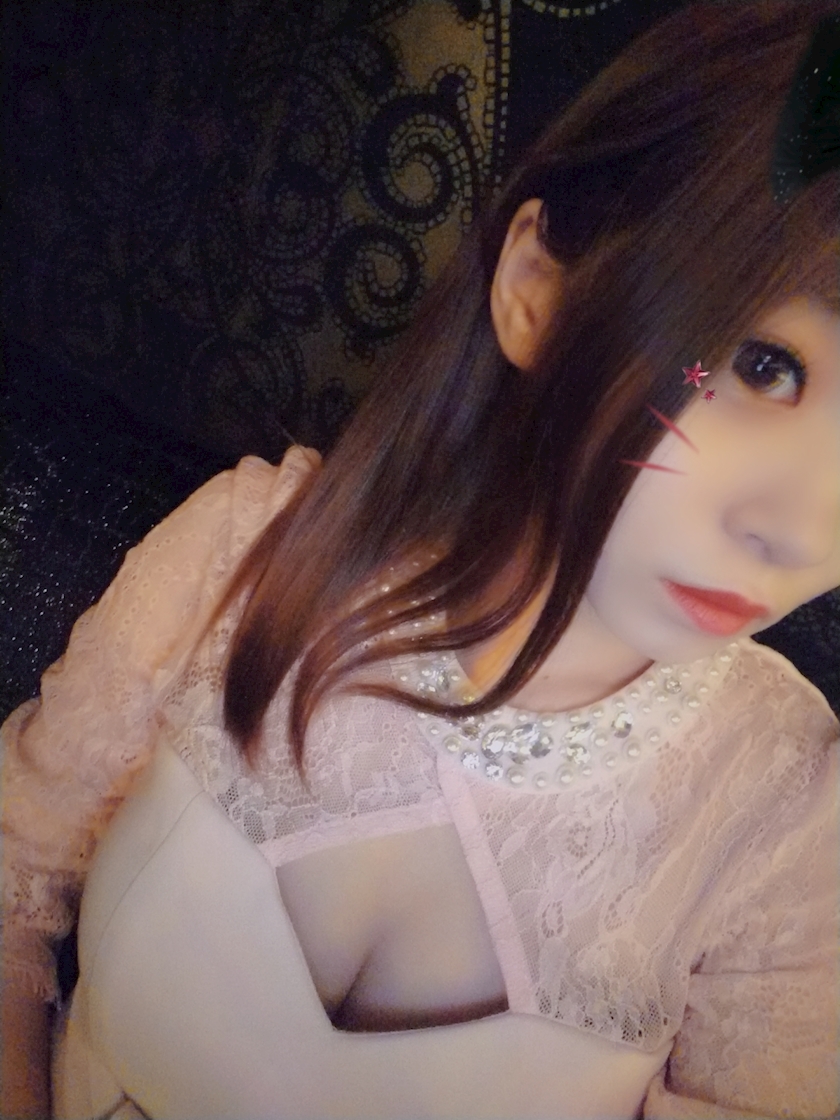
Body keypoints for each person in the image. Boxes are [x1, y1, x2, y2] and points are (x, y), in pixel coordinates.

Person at [3, 1, 839, 1116]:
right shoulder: (244, 554)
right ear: (537, 292)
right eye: (764, 365)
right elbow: (10, 886)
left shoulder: (786, 815)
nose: (806, 529)